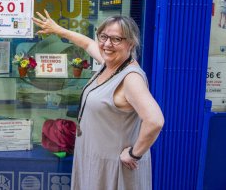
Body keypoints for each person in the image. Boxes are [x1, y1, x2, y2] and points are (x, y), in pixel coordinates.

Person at [33, 10, 164, 190]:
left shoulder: (131, 77)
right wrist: (58, 30)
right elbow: (87, 43)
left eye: (116, 39)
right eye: (103, 37)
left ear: (131, 44)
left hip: (112, 167)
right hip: (95, 160)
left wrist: (135, 154)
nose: (107, 44)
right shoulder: (109, 63)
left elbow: (155, 120)